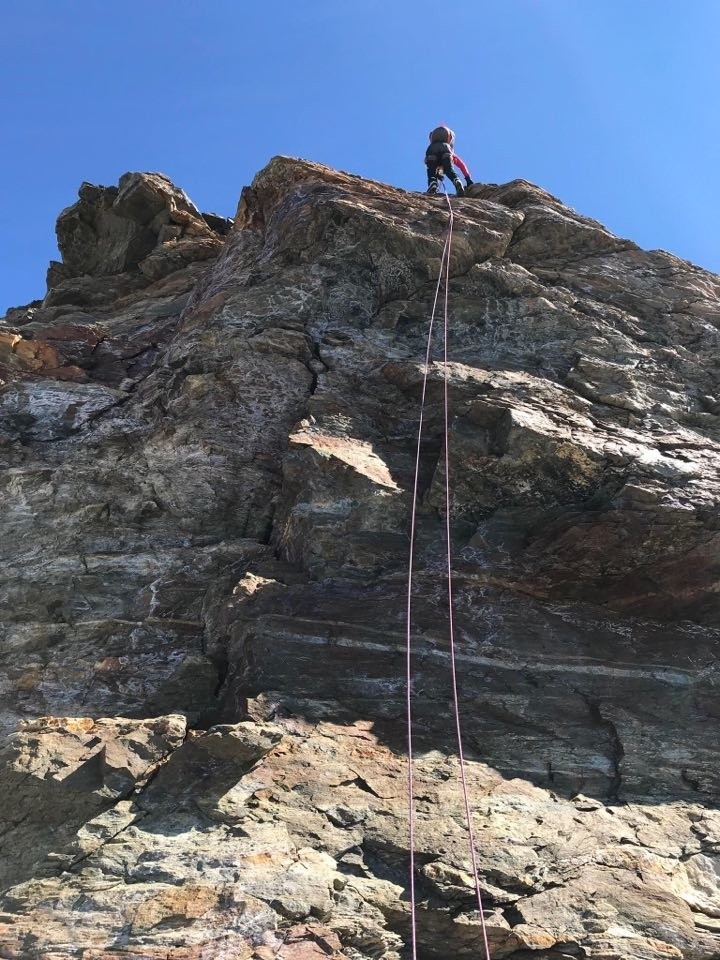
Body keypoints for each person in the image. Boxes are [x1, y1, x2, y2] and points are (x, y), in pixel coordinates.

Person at [425, 126, 473, 196]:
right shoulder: (451, 152)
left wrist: (436, 175)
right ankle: (457, 181)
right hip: (445, 149)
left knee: (431, 171)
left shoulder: (433, 145)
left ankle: (433, 183)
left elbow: (428, 163)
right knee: (449, 170)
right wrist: (468, 178)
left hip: (432, 149)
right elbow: (462, 165)